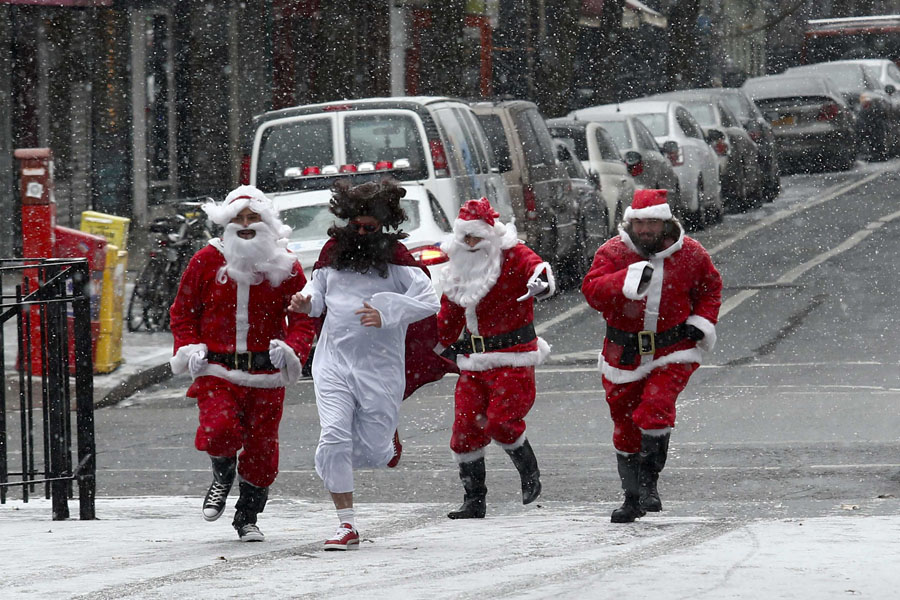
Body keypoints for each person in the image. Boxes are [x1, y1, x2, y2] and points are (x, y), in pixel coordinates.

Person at [289, 179, 441, 551]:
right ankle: (347, 525)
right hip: (333, 362)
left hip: (380, 366)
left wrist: (387, 312)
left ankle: (388, 442)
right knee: (334, 437)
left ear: (382, 225)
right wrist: (304, 303)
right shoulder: (331, 254)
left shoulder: (398, 261)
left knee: (374, 453)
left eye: (368, 227)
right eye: (353, 225)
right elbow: (317, 295)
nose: (359, 233)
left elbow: (430, 300)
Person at [169, 185, 316, 542]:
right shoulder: (206, 260)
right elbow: (183, 314)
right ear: (226, 223)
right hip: (217, 370)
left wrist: (293, 348)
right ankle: (222, 474)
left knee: (263, 450)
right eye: (239, 218)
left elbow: (304, 316)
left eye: (254, 218)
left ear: (267, 223)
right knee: (219, 430)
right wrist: (190, 347)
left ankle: (248, 515)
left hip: (266, 374)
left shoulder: (285, 264)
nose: (246, 225)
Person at [581, 189, 722, 523]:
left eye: (652, 223)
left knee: (655, 409)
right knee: (624, 422)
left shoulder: (690, 254)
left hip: (672, 349)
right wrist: (624, 281)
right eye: (640, 222)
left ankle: (649, 484)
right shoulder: (613, 252)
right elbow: (592, 291)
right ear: (631, 222)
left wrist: (701, 323)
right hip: (623, 352)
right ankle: (630, 497)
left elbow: (710, 289)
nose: (645, 230)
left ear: (666, 223)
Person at [436, 197, 556, 519]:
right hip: (473, 361)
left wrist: (540, 283)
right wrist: (438, 344)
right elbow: (449, 315)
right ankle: (474, 499)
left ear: (490, 235)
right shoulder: (459, 265)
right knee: (464, 429)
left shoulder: (513, 255)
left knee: (502, 422)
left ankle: (529, 473)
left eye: (476, 237)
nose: (471, 244)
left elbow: (540, 270)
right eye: (466, 238)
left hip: (513, 357)